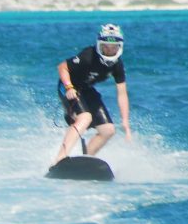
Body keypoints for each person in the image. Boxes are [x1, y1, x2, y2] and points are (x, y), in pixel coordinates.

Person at [53, 23, 133, 164]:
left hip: (86, 89)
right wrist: (69, 87)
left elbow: (122, 94)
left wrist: (125, 122)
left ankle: (87, 160)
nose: (109, 50)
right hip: (68, 87)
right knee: (85, 118)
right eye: (106, 47)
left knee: (108, 130)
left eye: (113, 47)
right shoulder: (88, 56)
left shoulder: (117, 65)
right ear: (99, 45)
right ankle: (60, 159)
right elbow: (62, 67)